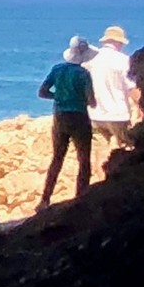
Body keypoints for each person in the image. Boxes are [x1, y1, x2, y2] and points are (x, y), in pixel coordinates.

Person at [39, 37, 97, 209]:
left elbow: (42, 92)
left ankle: (45, 198)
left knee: (57, 158)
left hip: (60, 116)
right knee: (84, 159)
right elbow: (91, 100)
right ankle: (81, 197)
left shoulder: (57, 69)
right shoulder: (83, 74)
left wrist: (59, 97)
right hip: (79, 116)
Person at [87, 24, 141, 147]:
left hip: (94, 115)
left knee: (103, 150)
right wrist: (143, 107)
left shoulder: (89, 60)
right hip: (118, 115)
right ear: (119, 42)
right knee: (129, 148)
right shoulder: (124, 61)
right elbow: (131, 88)